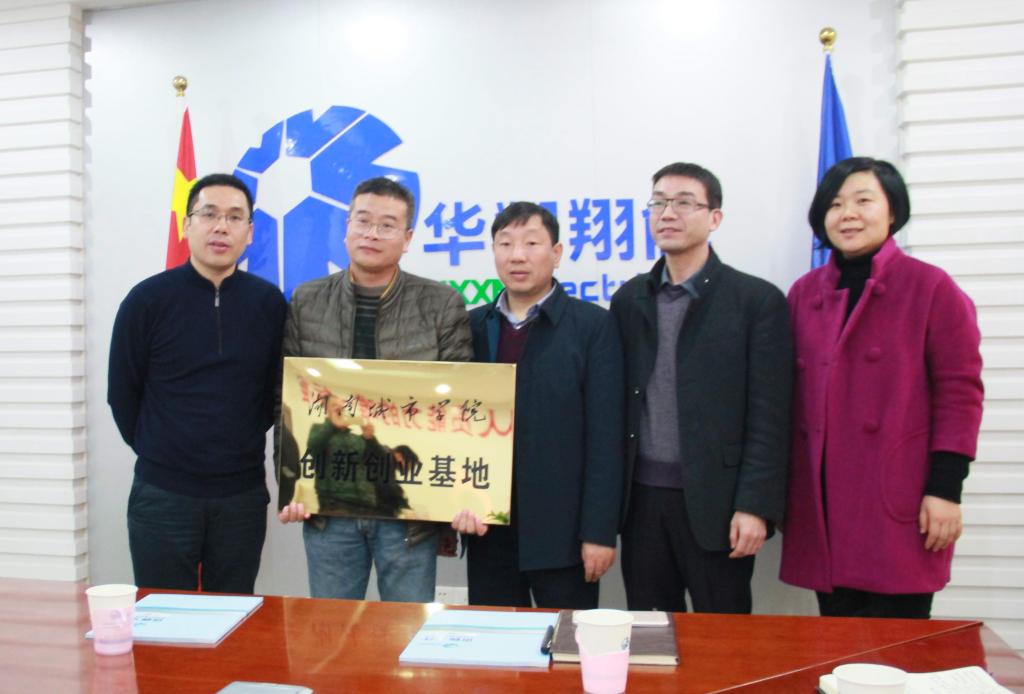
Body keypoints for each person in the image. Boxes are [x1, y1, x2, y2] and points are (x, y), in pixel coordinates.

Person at [780, 157, 984, 619]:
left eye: (863, 201)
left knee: (899, 644)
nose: (847, 214)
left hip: (899, 496)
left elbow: (960, 394)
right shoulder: (804, 293)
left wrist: (946, 489)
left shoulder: (930, 286)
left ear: (893, 211)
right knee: (838, 643)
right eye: (835, 204)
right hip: (824, 504)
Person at [609, 162, 793, 614]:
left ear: (715, 218)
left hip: (720, 503)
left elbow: (771, 416)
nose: (668, 213)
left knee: (724, 637)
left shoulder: (755, 301)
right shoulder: (629, 300)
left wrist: (755, 506)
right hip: (641, 504)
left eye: (684, 203)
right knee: (650, 633)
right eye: (658, 203)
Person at [278, 176, 472, 602]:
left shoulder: (440, 304)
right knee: (330, 632)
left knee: (407, 632)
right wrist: (292, 485)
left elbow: (460, 408)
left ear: (408, 238)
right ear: (346, 227)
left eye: (387, 225)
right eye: (363, 221)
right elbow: (286, 399)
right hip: (330, 505)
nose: (372, 233)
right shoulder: (308, 300)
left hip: (409, 510)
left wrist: (461, 497)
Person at [108, 172, 287, 593]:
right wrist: (164, 450)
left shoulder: (269, 304)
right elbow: (122, 393)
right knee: (162, 615)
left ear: (250, 232)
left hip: (241, 494)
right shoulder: (146, 300)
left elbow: (274, 393)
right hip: (163, 493)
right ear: (187, 225)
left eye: (234, 217)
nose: (221, 227)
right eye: (209, 214)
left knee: (234, 614)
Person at [451, 202, 623, 609]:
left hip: (563, 533)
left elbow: (607, 438)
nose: (517, 256)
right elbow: (452, 427)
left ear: (556, 253)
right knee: (496, 640)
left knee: (568, 641)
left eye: (531, 243)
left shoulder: (592, 326)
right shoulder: (471, 326)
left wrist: (599, 532)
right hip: (489, 528)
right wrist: (454, 505)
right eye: (505, 244)